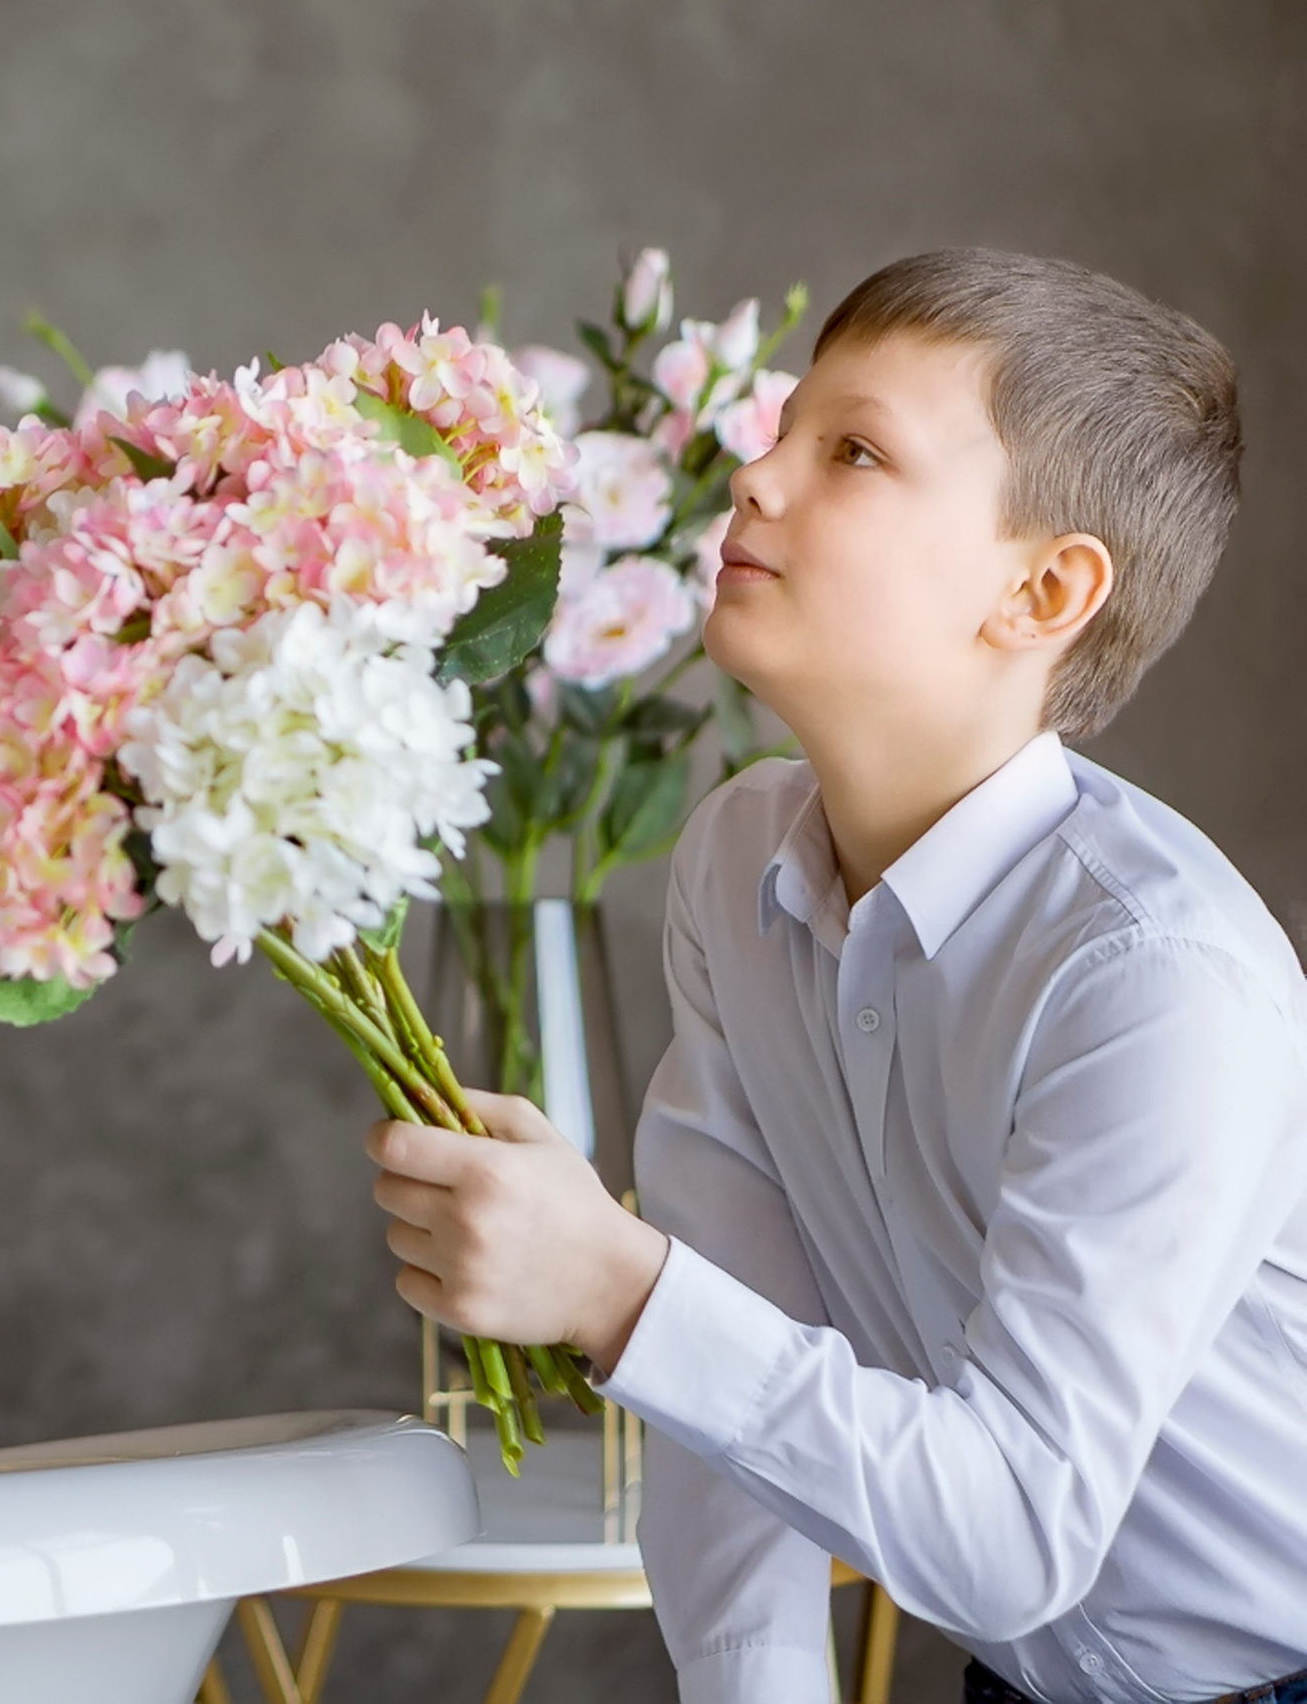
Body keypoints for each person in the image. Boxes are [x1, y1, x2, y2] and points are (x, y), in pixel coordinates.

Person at [365, 250, 1306, 1703]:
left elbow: (1011, 1534)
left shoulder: (1153, 979)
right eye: (782, 428)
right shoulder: (734, 858)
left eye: (853, 450)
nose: (755, 476)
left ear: (1043, 588)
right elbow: (737, 1370)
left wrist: (618, 1288)